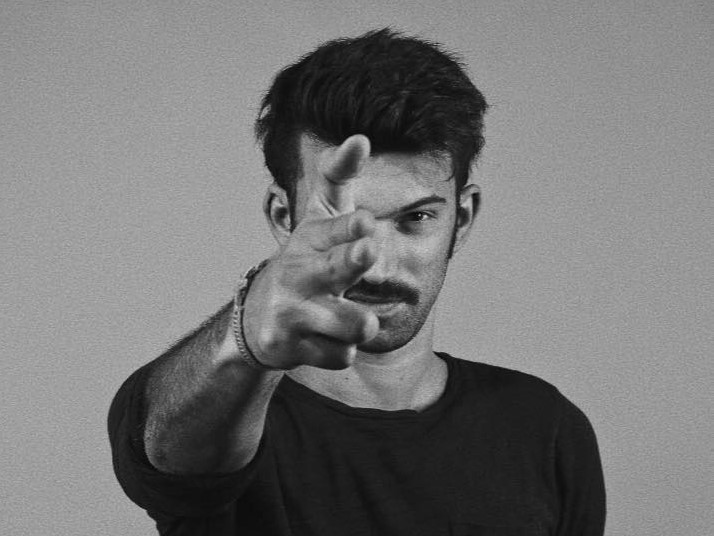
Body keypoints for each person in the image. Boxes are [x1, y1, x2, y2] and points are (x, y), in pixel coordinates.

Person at [108, 28, 606, 536]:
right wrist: (246, 337)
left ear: (462, 218)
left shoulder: (543, 429)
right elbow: (170, 452)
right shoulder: (223, 414)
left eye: (416, 218)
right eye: (346, 222)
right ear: (283, 215)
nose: (378, 266)